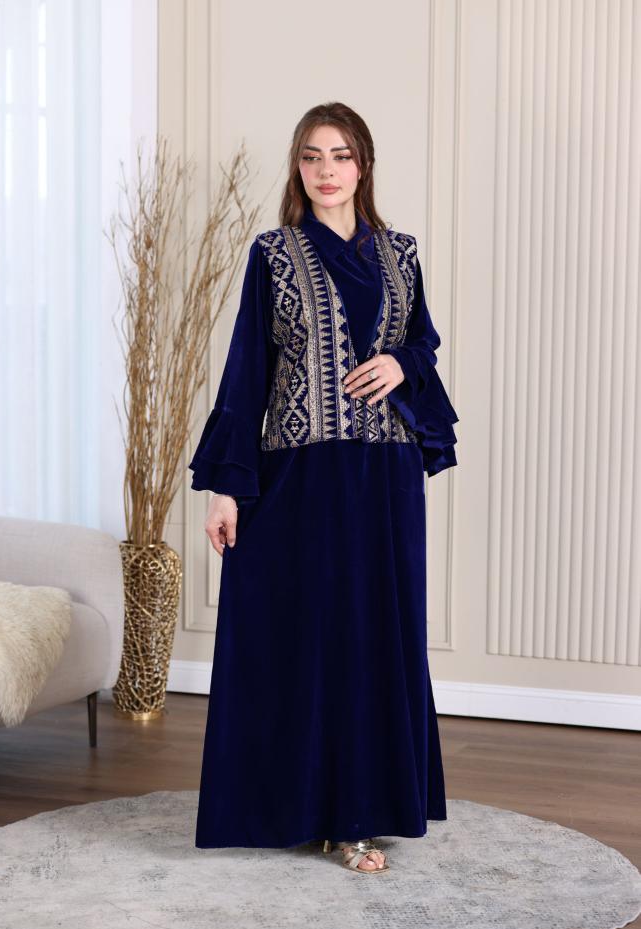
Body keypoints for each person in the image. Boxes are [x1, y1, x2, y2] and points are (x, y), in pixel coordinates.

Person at [188, 101, 459, 874]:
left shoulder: (399, 253)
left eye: (339, 156)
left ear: (362, 165)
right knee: (304, 636)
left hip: (384, 476)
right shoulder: (273, 253)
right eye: (311, 156)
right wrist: (226, 489)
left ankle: (357, 818)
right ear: (297, 167)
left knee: (373, 638)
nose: (325, 170)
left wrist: (402, 363)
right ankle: (298, 805)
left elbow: (420, 341)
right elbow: (247, 370)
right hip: (299, 475)